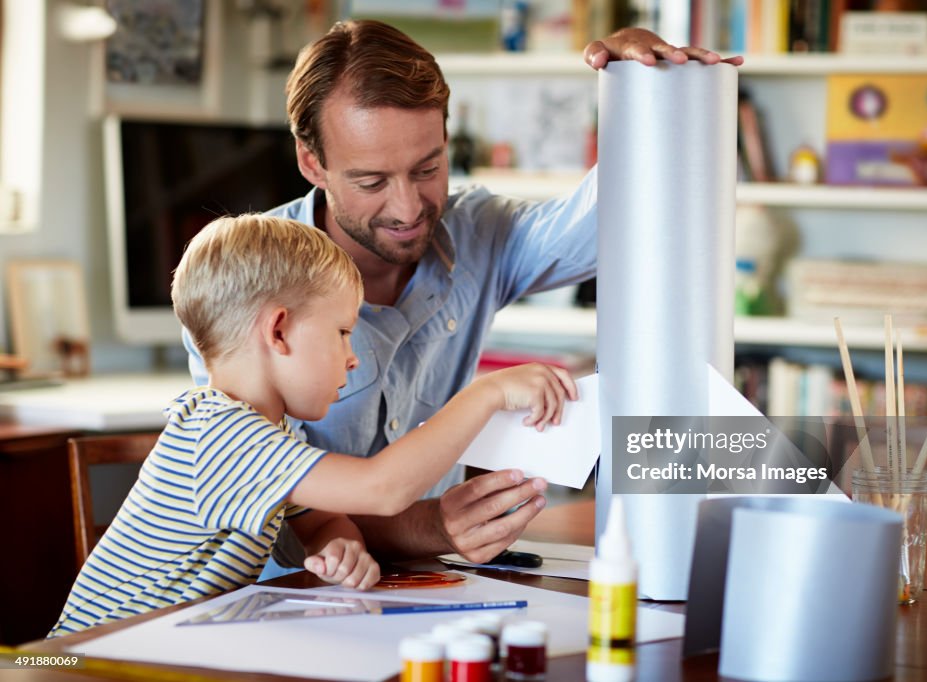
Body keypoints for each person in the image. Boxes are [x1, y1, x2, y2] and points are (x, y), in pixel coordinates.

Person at [184, 20, 742, 568]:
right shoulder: (240, 286)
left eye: (428, 168)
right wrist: (430, 526)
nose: (408, 209)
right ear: (313, 163)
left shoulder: (477, 233)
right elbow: (287, 525)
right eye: (372, 182)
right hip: (288, 603)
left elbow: (610, 223)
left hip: (439, 579)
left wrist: (643, 94)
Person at [51, 214, 576, 636]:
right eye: (343, 332)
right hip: (81, 663)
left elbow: (321, 520)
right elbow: (383, 488)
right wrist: (487, 392)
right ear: (278, 331)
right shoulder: (223, 436)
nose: (352, 358)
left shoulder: (270, 436)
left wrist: (336, 543)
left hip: (160, 648)